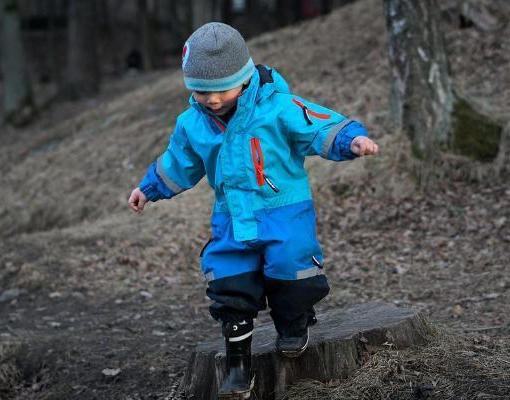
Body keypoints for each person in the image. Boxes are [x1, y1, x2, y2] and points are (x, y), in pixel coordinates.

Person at [128, 22, 378, 399]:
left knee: (293, 271)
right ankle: (237, 363)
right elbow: (178, 162)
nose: (212, 100)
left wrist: (350, 139)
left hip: (284, 210)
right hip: (231, 216)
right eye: (201, 91)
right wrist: (148, 189)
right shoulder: (192, 122)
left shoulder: (277, 107)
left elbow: (317, 125)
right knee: (228, 283)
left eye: (221, 90)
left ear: (244, 78)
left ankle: (293, 322)